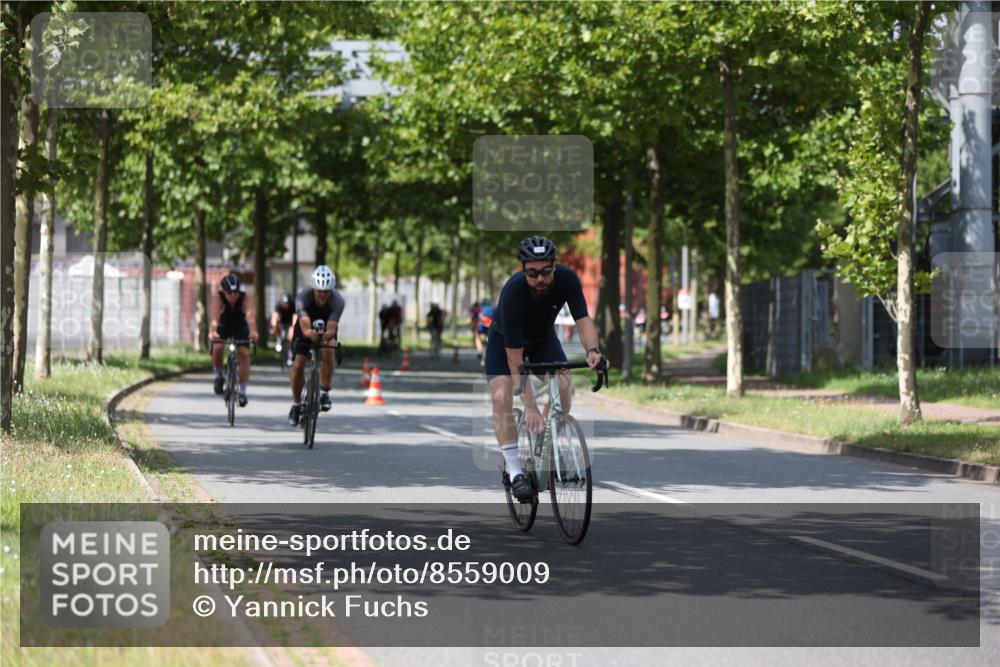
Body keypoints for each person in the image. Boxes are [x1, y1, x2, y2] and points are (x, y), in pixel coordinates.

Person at [485, 236, 604, 502]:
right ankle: (515, 472)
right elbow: (516, 361)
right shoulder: (514, 292)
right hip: (505, 343)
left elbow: (582, 320)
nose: (540, 278)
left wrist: (593, 351)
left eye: (546, 271)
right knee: (502, 395)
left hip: (542, 340)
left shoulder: (568, 280)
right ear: (523, 270)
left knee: (563, 380)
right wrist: (529, 406)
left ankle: (547, 441)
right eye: (532, 273)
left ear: (554, 266)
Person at [287, 266, 345, 426]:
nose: (322, 294)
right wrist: (310, 333)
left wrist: (326, 336)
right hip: (305, 328)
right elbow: (305, 326)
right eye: (319, 290)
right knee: (298, 363)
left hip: (326, 326)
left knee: (329, 348)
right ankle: (296, 405)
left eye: (326, 291)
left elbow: (332, 328)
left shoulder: (338, 300)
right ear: (314, 288)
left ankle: (324, 392)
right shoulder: (302, 298)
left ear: (331, 290)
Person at [208, 273, 259, 406]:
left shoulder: (245, 297)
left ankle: (242, 392)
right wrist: (213, 332)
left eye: (236, 292)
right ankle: (218, 375)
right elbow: (214, 319)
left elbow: (251, 317)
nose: (233, 295)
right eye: (229, 292)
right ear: (223, 291)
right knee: (218, 347)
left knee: (243, 353)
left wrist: (253, 331)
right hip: (223, 325)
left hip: (240, 326)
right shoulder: (218, 298)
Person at [270, 292, 296, 359]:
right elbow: (275, 315)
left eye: (287, 303)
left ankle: (290, 354)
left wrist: (293, 326)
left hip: (290, 322)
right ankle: (278, 340)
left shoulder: (293, 305)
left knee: (291, 335)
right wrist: (274, 326)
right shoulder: (279, 305)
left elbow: (295, 316)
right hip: (281, 322)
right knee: (275, 323)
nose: (286, 305)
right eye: (284, 303)